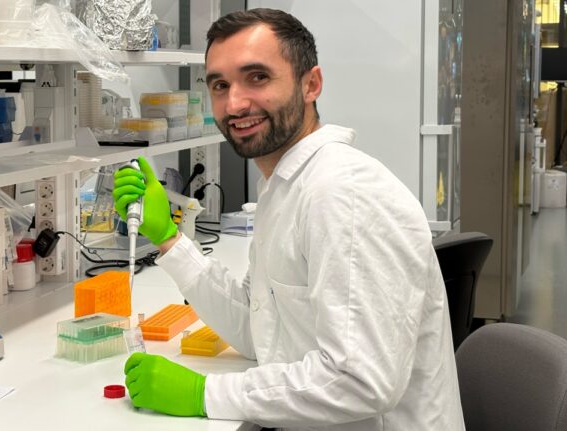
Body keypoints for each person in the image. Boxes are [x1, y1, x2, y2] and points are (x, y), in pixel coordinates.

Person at [113, 8, 465, 431]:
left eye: (257, 77)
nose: (234, 103)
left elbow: (360, 381)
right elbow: (259, 329)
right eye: (220, 85)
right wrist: (169, 239)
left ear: (310, 84)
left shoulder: (342, 194)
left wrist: (203, 394)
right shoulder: (283, 187)